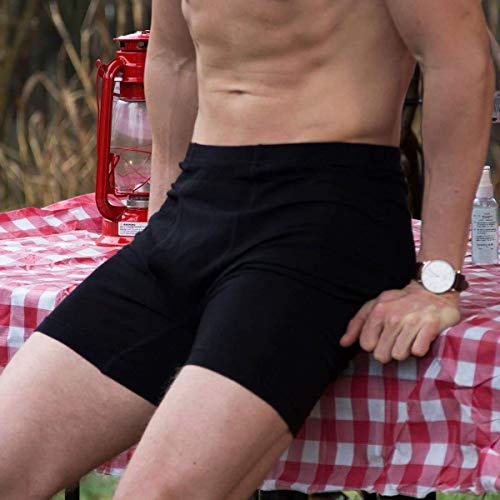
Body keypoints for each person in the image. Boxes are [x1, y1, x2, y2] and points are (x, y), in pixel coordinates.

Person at [0, 1, 494, 498]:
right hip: (193, 208)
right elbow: (175, 59)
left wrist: (437, 278)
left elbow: (457, 59)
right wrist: (161, 224)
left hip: (323, 222)